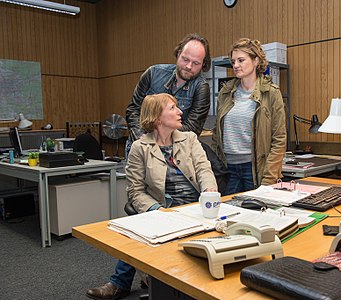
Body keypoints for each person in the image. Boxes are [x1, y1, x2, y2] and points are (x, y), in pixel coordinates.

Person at [87, 94, 217, 300]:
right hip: (162, 208)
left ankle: (155, 280)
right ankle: (120, 283)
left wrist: (210, 190)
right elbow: (135, 190)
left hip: (194, 207)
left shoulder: (189, 138)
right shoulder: (140, 148)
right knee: (138, 234)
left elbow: (204, 168)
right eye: (173, 108)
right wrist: (156, 210)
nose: (180, 112)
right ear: (157, 117)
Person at [211, 38, 286, 195]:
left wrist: (269, 179)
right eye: (233, 61)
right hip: (228, 170)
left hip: (255, 169)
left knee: (257, 215)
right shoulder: (225, 92)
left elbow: (279, 139)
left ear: (256, 60)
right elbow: (216, 133)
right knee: (228, 214)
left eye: (241, 60)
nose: (236, 65)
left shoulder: (271, 92)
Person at [125, 33, 211, 155]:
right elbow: (133, 109)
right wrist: (143, 140)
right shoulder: (153, 73)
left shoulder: (201, 88)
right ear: (178, 54)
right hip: (141, 146)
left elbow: (192, 128)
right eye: (185, 59)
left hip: (174, 152)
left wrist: (162, 139)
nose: (188, 66)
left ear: (203, 64)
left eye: (196, 63)